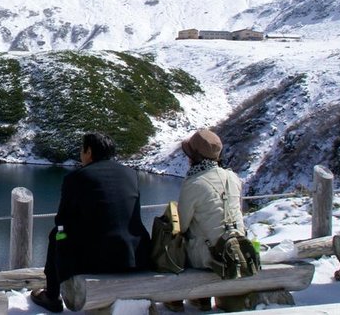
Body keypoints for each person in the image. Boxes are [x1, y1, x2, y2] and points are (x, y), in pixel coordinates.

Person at [30, 132, 152, 313]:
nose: (81, 153)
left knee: (57, 233)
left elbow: (62, 219)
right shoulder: (131, 175)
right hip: (135, 255)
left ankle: (52, 295)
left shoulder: (76, 178)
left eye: (82, 149)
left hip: (96, 259)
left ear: (88, 152)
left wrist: (64, 237)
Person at [174, 129, 244, 312]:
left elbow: (181, 225)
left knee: (174, 241)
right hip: (237, 249)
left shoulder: (194, 183)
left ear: (194, 157)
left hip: (210, 256)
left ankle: (187, 297)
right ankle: (201, 298)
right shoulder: (233, 178)